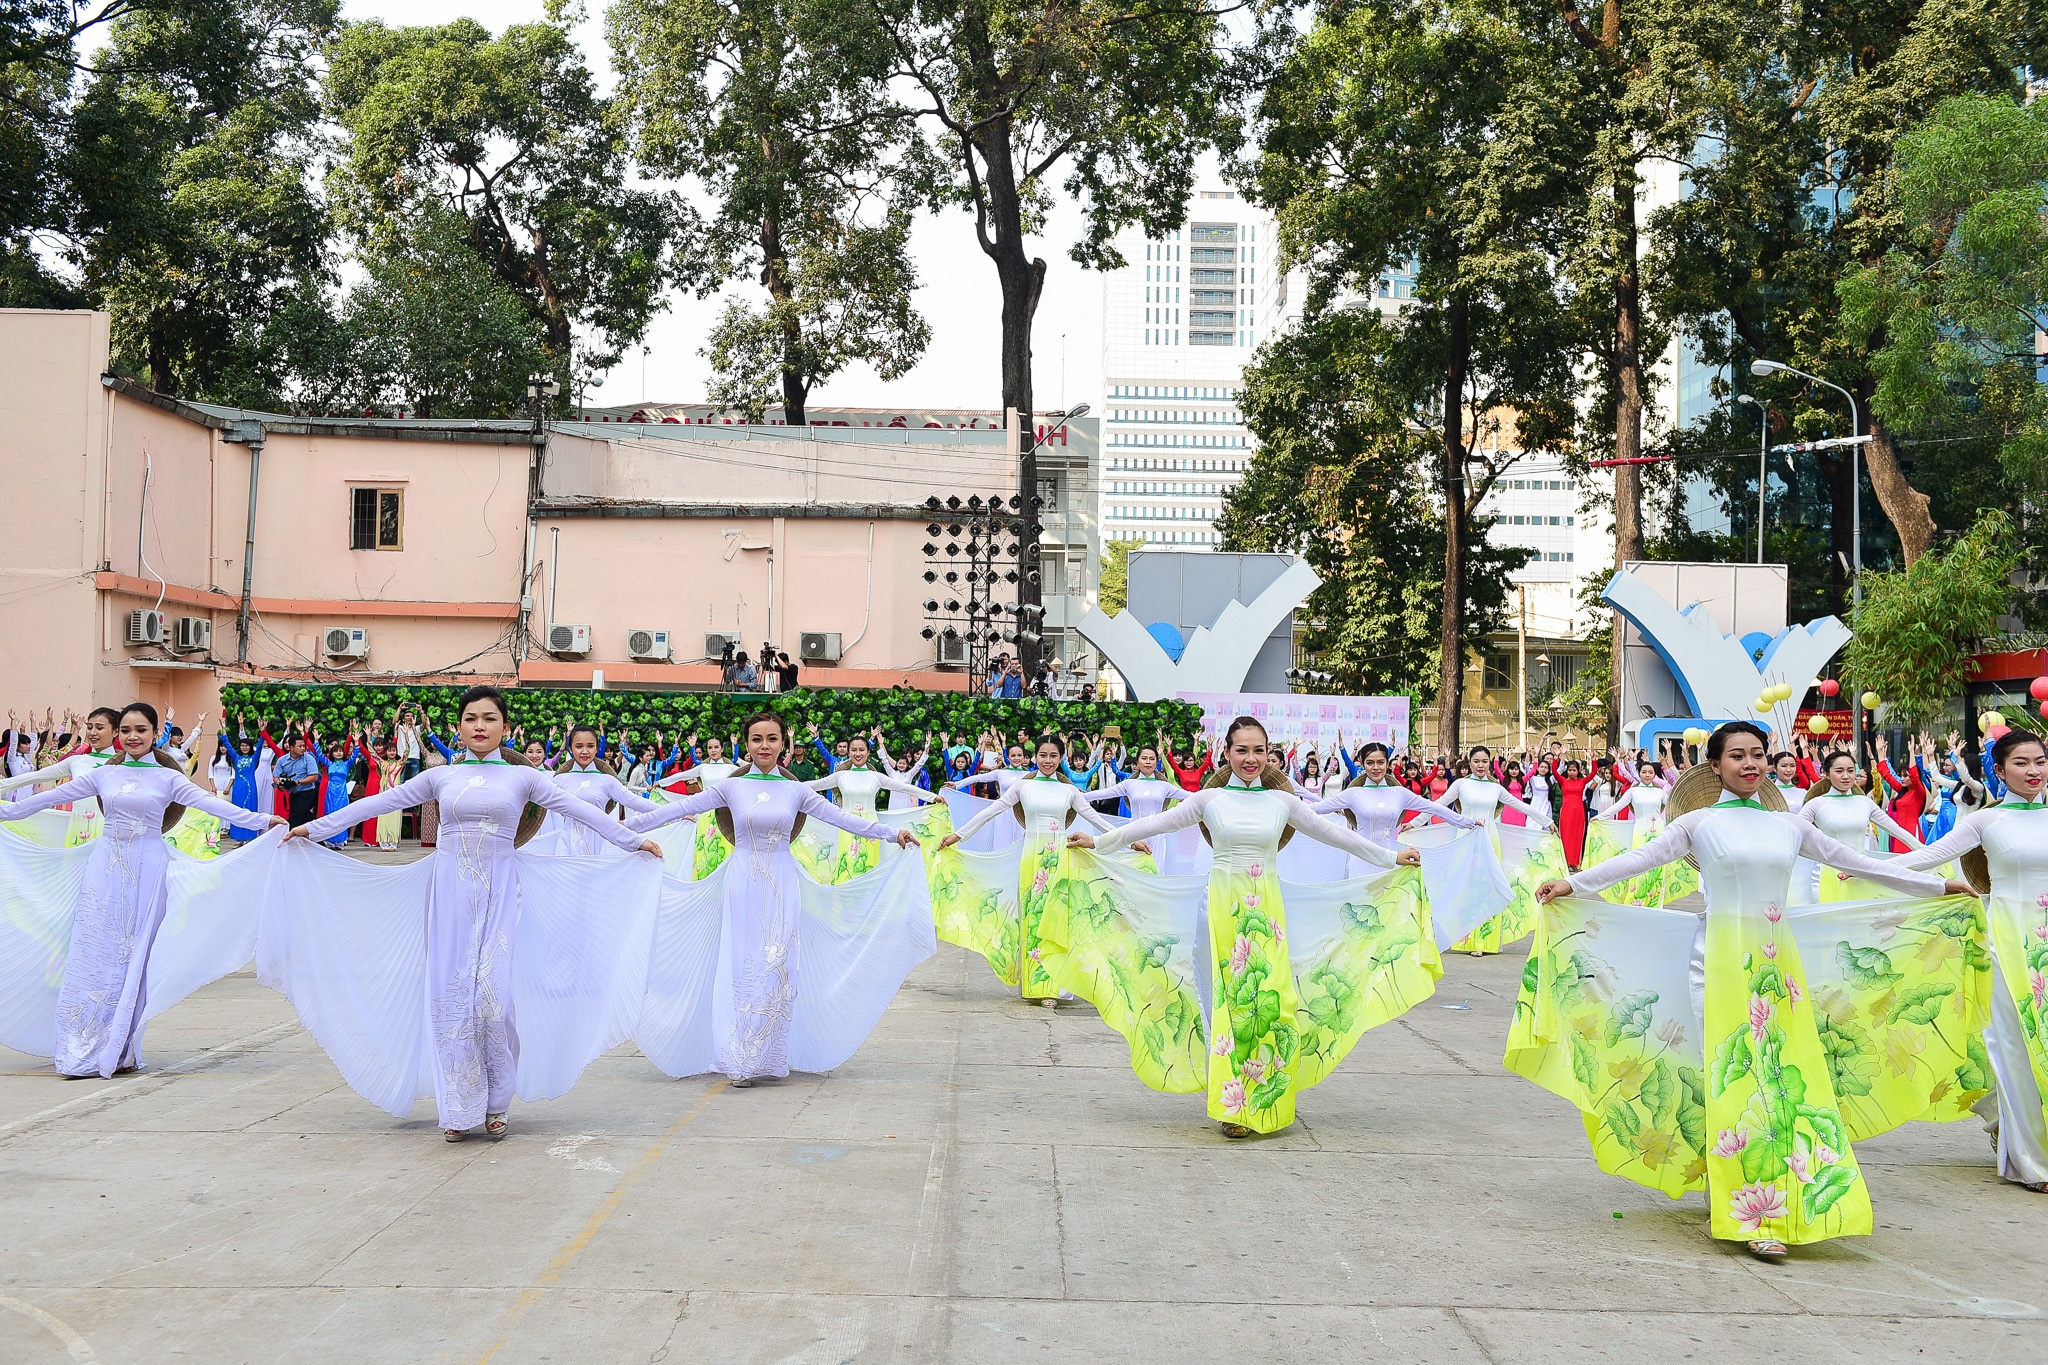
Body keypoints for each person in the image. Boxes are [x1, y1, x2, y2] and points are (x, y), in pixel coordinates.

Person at [1520, 720, 1976, 1258]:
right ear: (1715, 766)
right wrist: (1573, 883)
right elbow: (1639, 859)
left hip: (1778, 963)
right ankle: (1744, 1203)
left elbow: (1856, 861)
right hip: (1715, 960)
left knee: (1783, 1075)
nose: (1750, 764)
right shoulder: (1699, 823)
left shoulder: (1790, 826)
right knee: (1730, 1071)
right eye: (1737, 755)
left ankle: (1783, 1194)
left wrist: (1937, 885)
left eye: (1757, 754)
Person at [275, 686, 664, 1141]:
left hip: (501, 892)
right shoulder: (442, 776)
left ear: (505, 726)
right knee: (451, 996)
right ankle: (459, 1107)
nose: (480, 726)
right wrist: (312, 829)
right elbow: (377, 803)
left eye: (489, 718)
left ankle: (498, 1101)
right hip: (448, 895)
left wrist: (634, 842)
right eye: (471, 718)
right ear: (458, 726)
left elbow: (585, 812)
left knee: (494, 999)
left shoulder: (525, 778)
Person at [1059, 716, 1426, 1137]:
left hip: (1266, 909)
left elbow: (1335, 834)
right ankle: (1232, 1104)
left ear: (1269, 754)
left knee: (1271, 1000)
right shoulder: (1209, 799)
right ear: (1227, 753)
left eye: (1258, 750)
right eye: (1241, 750)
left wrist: (1390, 857)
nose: (1250, 759)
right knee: (1226, 1000)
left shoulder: (1282, 802)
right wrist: (1098, 841)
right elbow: (1152, 825)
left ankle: (1262, 1095)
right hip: (1219, 907)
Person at [628, 712, 924, 1085]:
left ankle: (769, 1055)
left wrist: (892, 834)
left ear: (783, 743)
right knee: (745, 963)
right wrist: (622, 829)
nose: (764, 746)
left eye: (772, 739)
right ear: (746, 744)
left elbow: (843, 819)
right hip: (742, 881)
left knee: (779, 964)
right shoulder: (731, 787)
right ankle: (742, 1056)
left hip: (783, 882)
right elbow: (678, 809)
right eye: (757, 739)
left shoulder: (796, 790)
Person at [0, 702, 282, 1076]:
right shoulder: (104, 774)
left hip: (148, 870)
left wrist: (264, 821)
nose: (133, 737)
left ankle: (120, 1046)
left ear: (154, 734)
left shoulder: (169, 778)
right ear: (119, 735)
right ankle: (79, 1043)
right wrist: (5, 811)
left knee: (133, 957)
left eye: (141, 730)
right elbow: (41, 801)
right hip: (104, 869)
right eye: (126, 730)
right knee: (92, 952)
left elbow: (214, 806)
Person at [1895, 727, 2048, 1192]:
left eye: (2040, 761)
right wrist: (1864, 867)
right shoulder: (1986, 822)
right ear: (1999, 771)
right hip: (2005, 943)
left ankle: (2005, 1122)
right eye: (2021, 763)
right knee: (2016, 1048)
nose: (2034, 771)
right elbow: (1927, 856)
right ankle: (2032, 1160)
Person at [934, 734, 1119, 1003]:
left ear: (1061, 758)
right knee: (1033, 917)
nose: (1048, 760)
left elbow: (1098, 819)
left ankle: (1056, 986)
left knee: (1058, 918)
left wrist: (1130, 841)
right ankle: (1036, 986)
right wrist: (958, 835)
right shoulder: (1023, 787)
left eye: (1053, 756)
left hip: (1060, 859)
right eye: (1043, 755)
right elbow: (991, 811)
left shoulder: (1069, 791)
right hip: (1031, 857)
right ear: (1035, 757)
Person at [1440, 745, 1562, 954]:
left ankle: (1485, 942)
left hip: (1490, 839)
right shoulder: (1461, 784)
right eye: (1476, 761)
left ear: (1490, 763)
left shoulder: (1495, 788)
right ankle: (1466, 937)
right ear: (1469, 762)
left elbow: (1521, 805)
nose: (1480, 765)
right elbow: (1438, 805)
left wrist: (1547, 821)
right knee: (1467, 887)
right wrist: (1413, 823)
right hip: (1466, 840)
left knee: (1488, 887)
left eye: (1484, 761)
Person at [802, 732, 942, 882]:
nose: (858, 753)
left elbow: (905, 788)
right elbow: (813, 785)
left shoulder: (876, 777)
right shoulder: (840, 776)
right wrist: (786, 786)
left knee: (869, 868)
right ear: (848, 752)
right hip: (846, 828)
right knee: (846, 869)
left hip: (872, 829)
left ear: (868, 752)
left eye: (862, 750)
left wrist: (933, 797)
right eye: (854, 750)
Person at [1801, 748, 1924, 901]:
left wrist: (1925, 851)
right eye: (1839, 771)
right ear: (1826, 774)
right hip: (1828, 874)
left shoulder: (1865, 802)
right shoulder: (1815, 804)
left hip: (1861, 871)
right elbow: (1794, 833)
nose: (1846, 776)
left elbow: (1896, 830)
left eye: (1850, 771)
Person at [544, 724, 663, 855]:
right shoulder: (559, 781)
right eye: (579, 746)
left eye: (590, 746)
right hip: (566, 849)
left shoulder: (607, 781)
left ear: (597, 748)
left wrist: (674, 814)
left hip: (599, 848)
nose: (585, 751)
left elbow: (636, 801)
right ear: (570, 748)